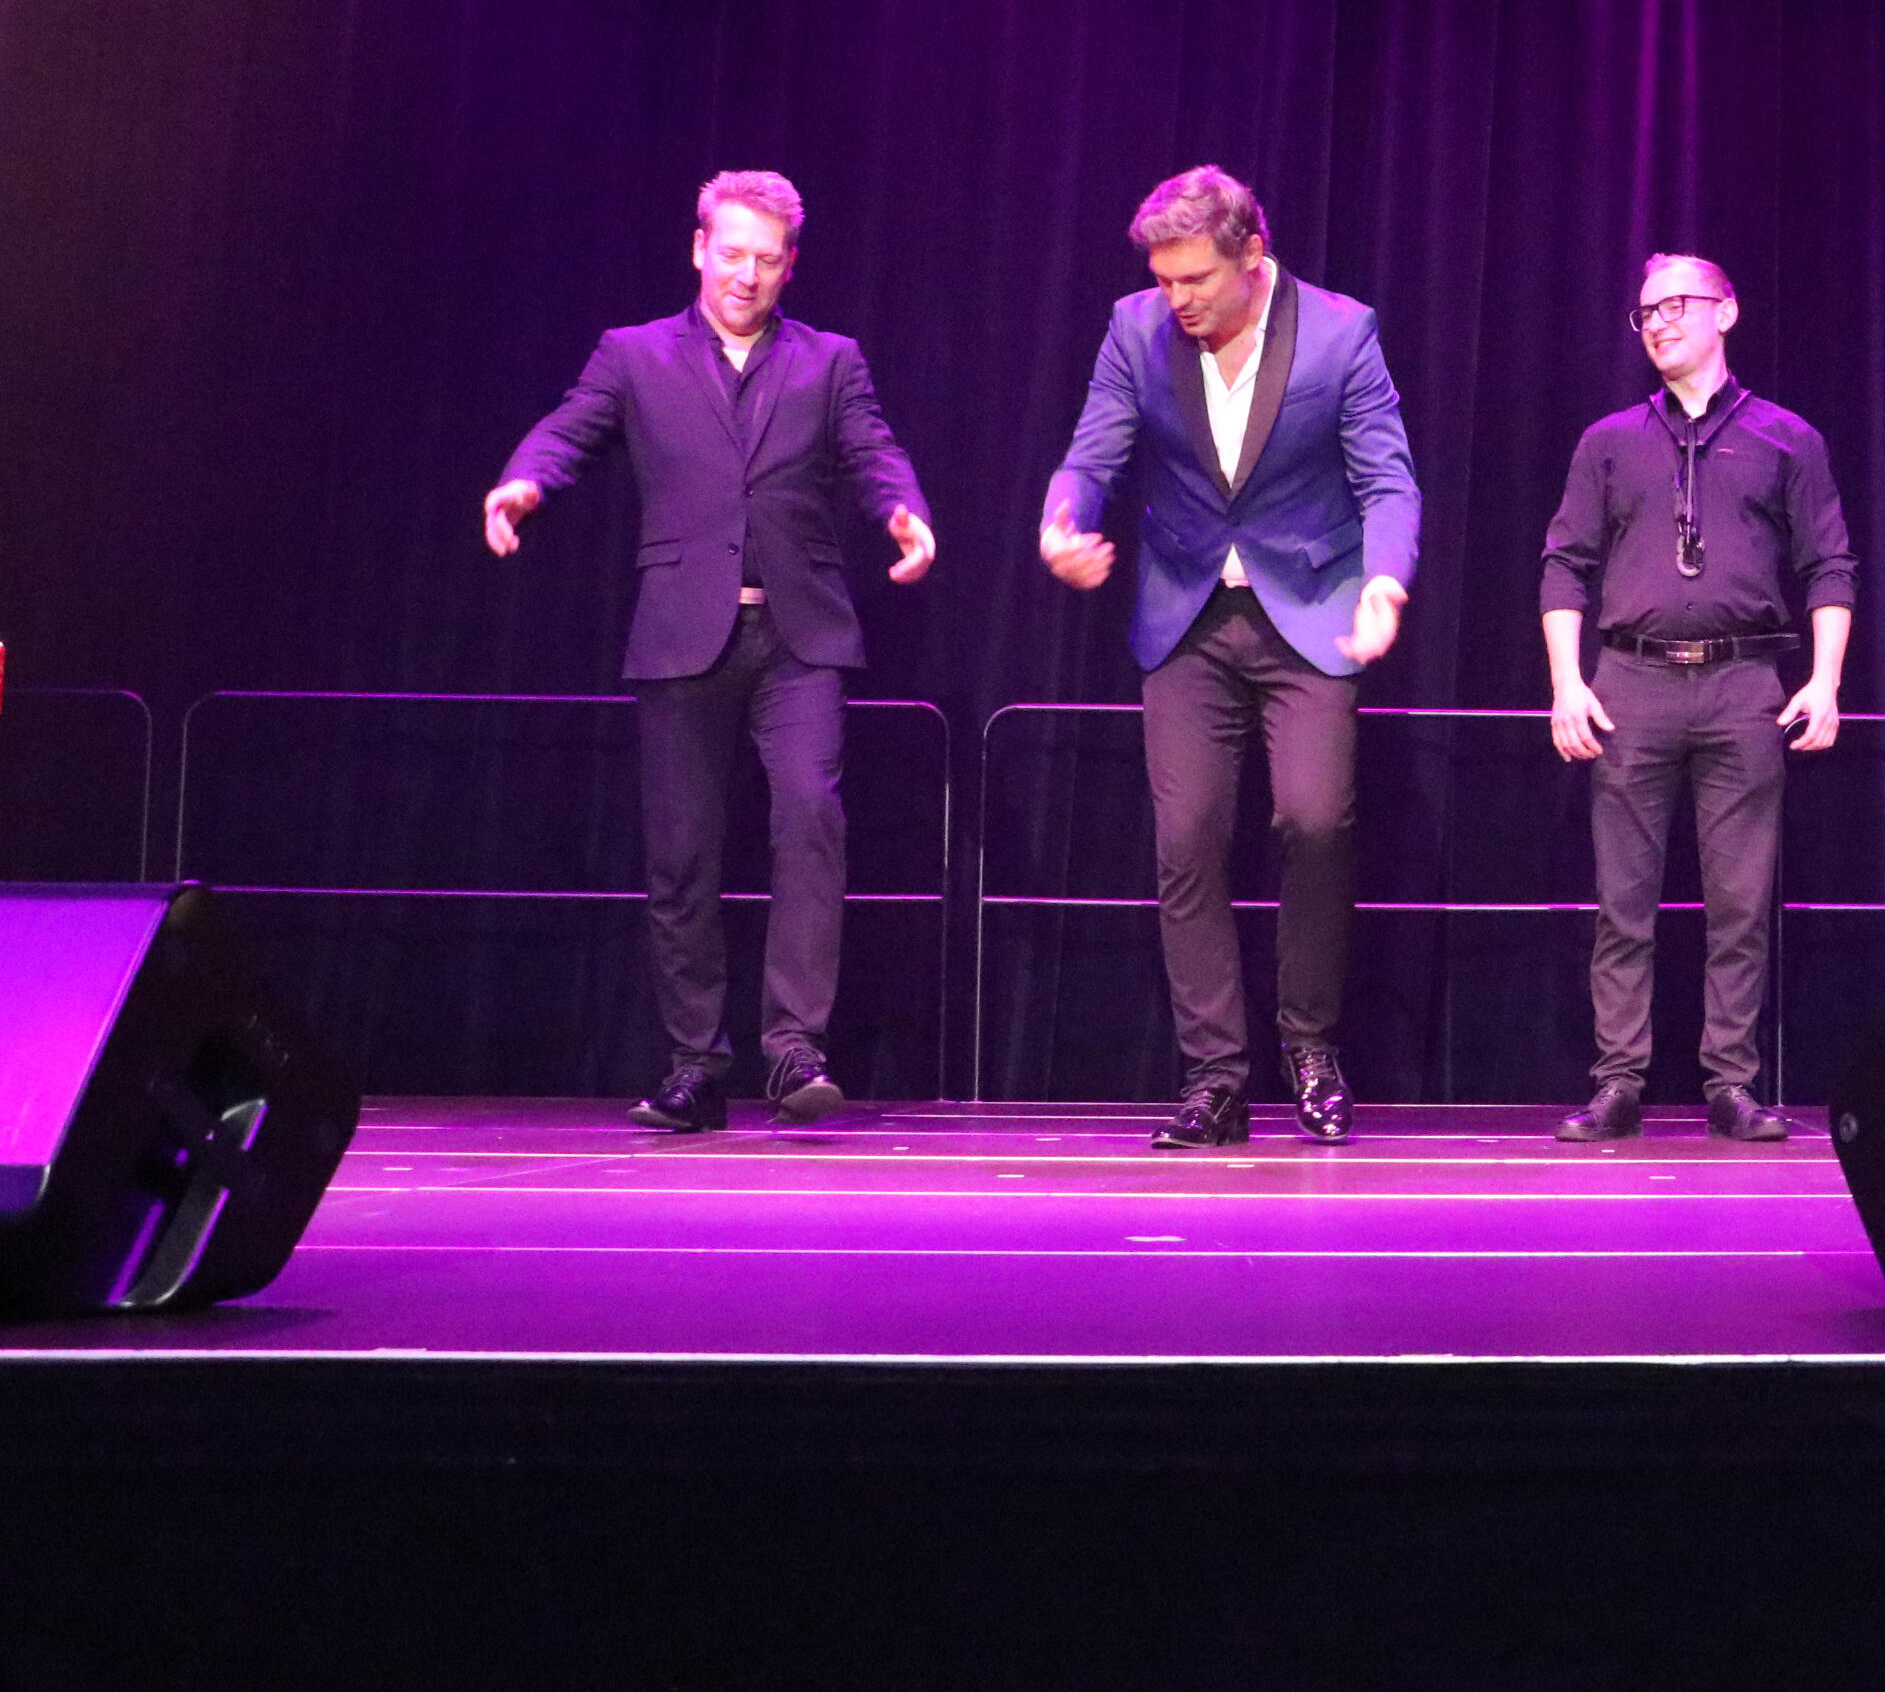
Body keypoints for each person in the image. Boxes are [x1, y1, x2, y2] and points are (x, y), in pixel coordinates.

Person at [485, 171, 936, 1133]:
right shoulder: (634, 354)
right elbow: (570, 429)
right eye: (731, 253)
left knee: (810, 818)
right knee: (682, 854)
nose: (746, 274)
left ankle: (795, 1048)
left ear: (790, 266)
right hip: (683, 632)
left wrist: (903, 512)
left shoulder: (830, 361)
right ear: (699, 248)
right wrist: (526, 483)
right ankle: (696, 1063)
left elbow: (872, 452)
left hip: (799, 634)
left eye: (766, 260)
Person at [1042, 167, 1420, 1151]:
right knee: (1188, 839)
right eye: (1165, 280)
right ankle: (1215, 1076)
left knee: (1315, 820)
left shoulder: (1341, 333)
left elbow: (1388, 480)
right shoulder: (1135, 331)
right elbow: (1093, 453)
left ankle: (1310, 1046)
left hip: (1314, 608)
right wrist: (1063, 521)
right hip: (1188, 614)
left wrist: (1385, 582)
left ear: (1253, 255)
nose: (1178, 299)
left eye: (1196, 279)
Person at [1539, 254, 1855, 1144]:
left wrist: (1825, 680)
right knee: (1622, 901)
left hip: (1743, 685)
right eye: (1646, 311)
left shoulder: (1788, 439)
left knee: (1741, 904)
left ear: (1728, 311)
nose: (1659, 322)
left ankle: (1732, 1083)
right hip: (1630, 685)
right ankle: (1617, 1081)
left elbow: (1829, 563)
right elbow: (1564, 564)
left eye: (1677, 304)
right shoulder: (1608, 442)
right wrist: (1567, 683)